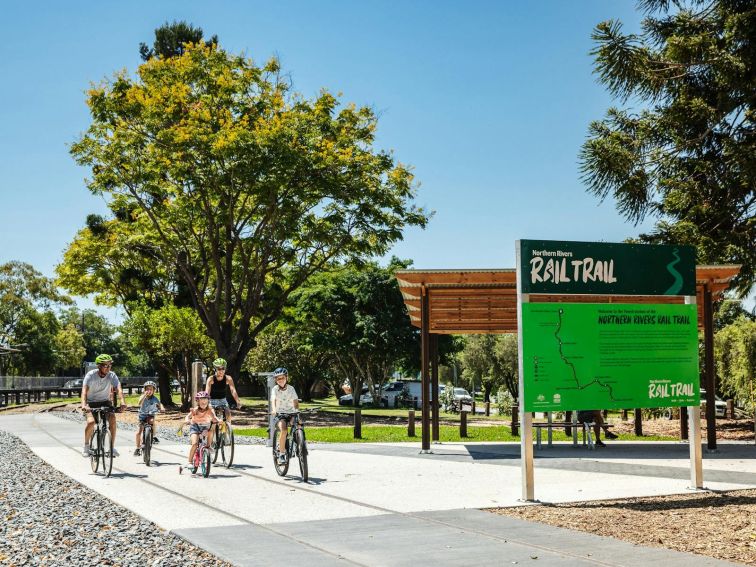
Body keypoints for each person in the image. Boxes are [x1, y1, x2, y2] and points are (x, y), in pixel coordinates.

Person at [81, 354, 126, 457]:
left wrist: (122, 402)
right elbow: (84, 392)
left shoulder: (112, 375)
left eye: (110, 365)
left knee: (113, 420)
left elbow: (118, 389)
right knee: (91, 422)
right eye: (105, 365)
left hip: (105, 402)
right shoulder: (90, 375)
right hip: (91, 403)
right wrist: (84, 405)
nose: (108, 368)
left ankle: (111, 447)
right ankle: (86, 446)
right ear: (99, 366)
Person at [270, 367, 299, 464]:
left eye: (282, 378)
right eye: (278, 378)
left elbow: (295, 401)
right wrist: (274, 410)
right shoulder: (275, 389)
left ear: (286, 378)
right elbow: (273, 400)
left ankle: (300, 445)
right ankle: (282, 453)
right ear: (276, 380)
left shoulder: (291, 388)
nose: (280, 380)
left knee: (298, 424)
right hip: (281, 414)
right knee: (284, 430)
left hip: (291, 412)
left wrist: (296, 410)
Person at [184, 391, 218, 468]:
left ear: (208, 401)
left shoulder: (210, 410)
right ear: (198, 401)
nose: (204, 401)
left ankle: (208, 446)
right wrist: (187, 420)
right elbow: (187, 417)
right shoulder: (195, 410)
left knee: (211, 431)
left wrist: (218, 421)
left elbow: (214, 418)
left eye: (205, 400)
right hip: (195, 427)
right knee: (195, 444)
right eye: (201, 400)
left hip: (205, 427)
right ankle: (189, 461)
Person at [205, 358, 242, 427]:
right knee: (213, 419)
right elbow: (207, 393)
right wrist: (206, 403)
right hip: (212, 401)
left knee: (228, 415)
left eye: (223, 368)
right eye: (219, 369)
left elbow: (233, 390)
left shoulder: (228, 378)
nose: (221, 371)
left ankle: (227, 432)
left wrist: (238, 401)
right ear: (215, 369)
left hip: (223, 400)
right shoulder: (211, 379)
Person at [134, 381, 165, 456]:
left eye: (151, 389)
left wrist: (162, 408)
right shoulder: (143, 397)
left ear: (154, 390)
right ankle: (138, 448)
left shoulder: (155, 398)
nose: (149, 391)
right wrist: (144, 395)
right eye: (147, 389)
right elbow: (139, 403)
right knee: (138, 432)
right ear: (144, 390)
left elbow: (160, 404)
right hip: (142, 416)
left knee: (152, 421)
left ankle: (153, 436)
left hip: (150, 415)